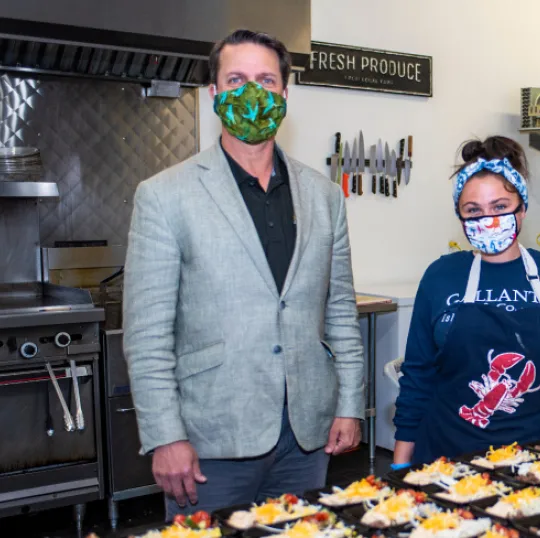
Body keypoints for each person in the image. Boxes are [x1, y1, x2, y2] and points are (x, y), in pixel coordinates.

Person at [124, 29, 365, 518]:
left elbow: (339, 308)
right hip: (212, 436)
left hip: (305, 436)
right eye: (236, 79)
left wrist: (351, 404)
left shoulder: (324, 195)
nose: (251, 92)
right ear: (214, 94)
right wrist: (165, 436)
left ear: (284, 94)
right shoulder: (164, 195)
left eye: (265, 80)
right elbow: (147, 334)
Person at [392, 137, 540, 467]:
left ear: (522, 208)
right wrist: (401, 465)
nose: (487, 219)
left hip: (536, 455)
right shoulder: (441, 276)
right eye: (473, 210)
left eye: (500, 207)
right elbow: (418, 377)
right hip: (444, 456)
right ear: (460, 216)